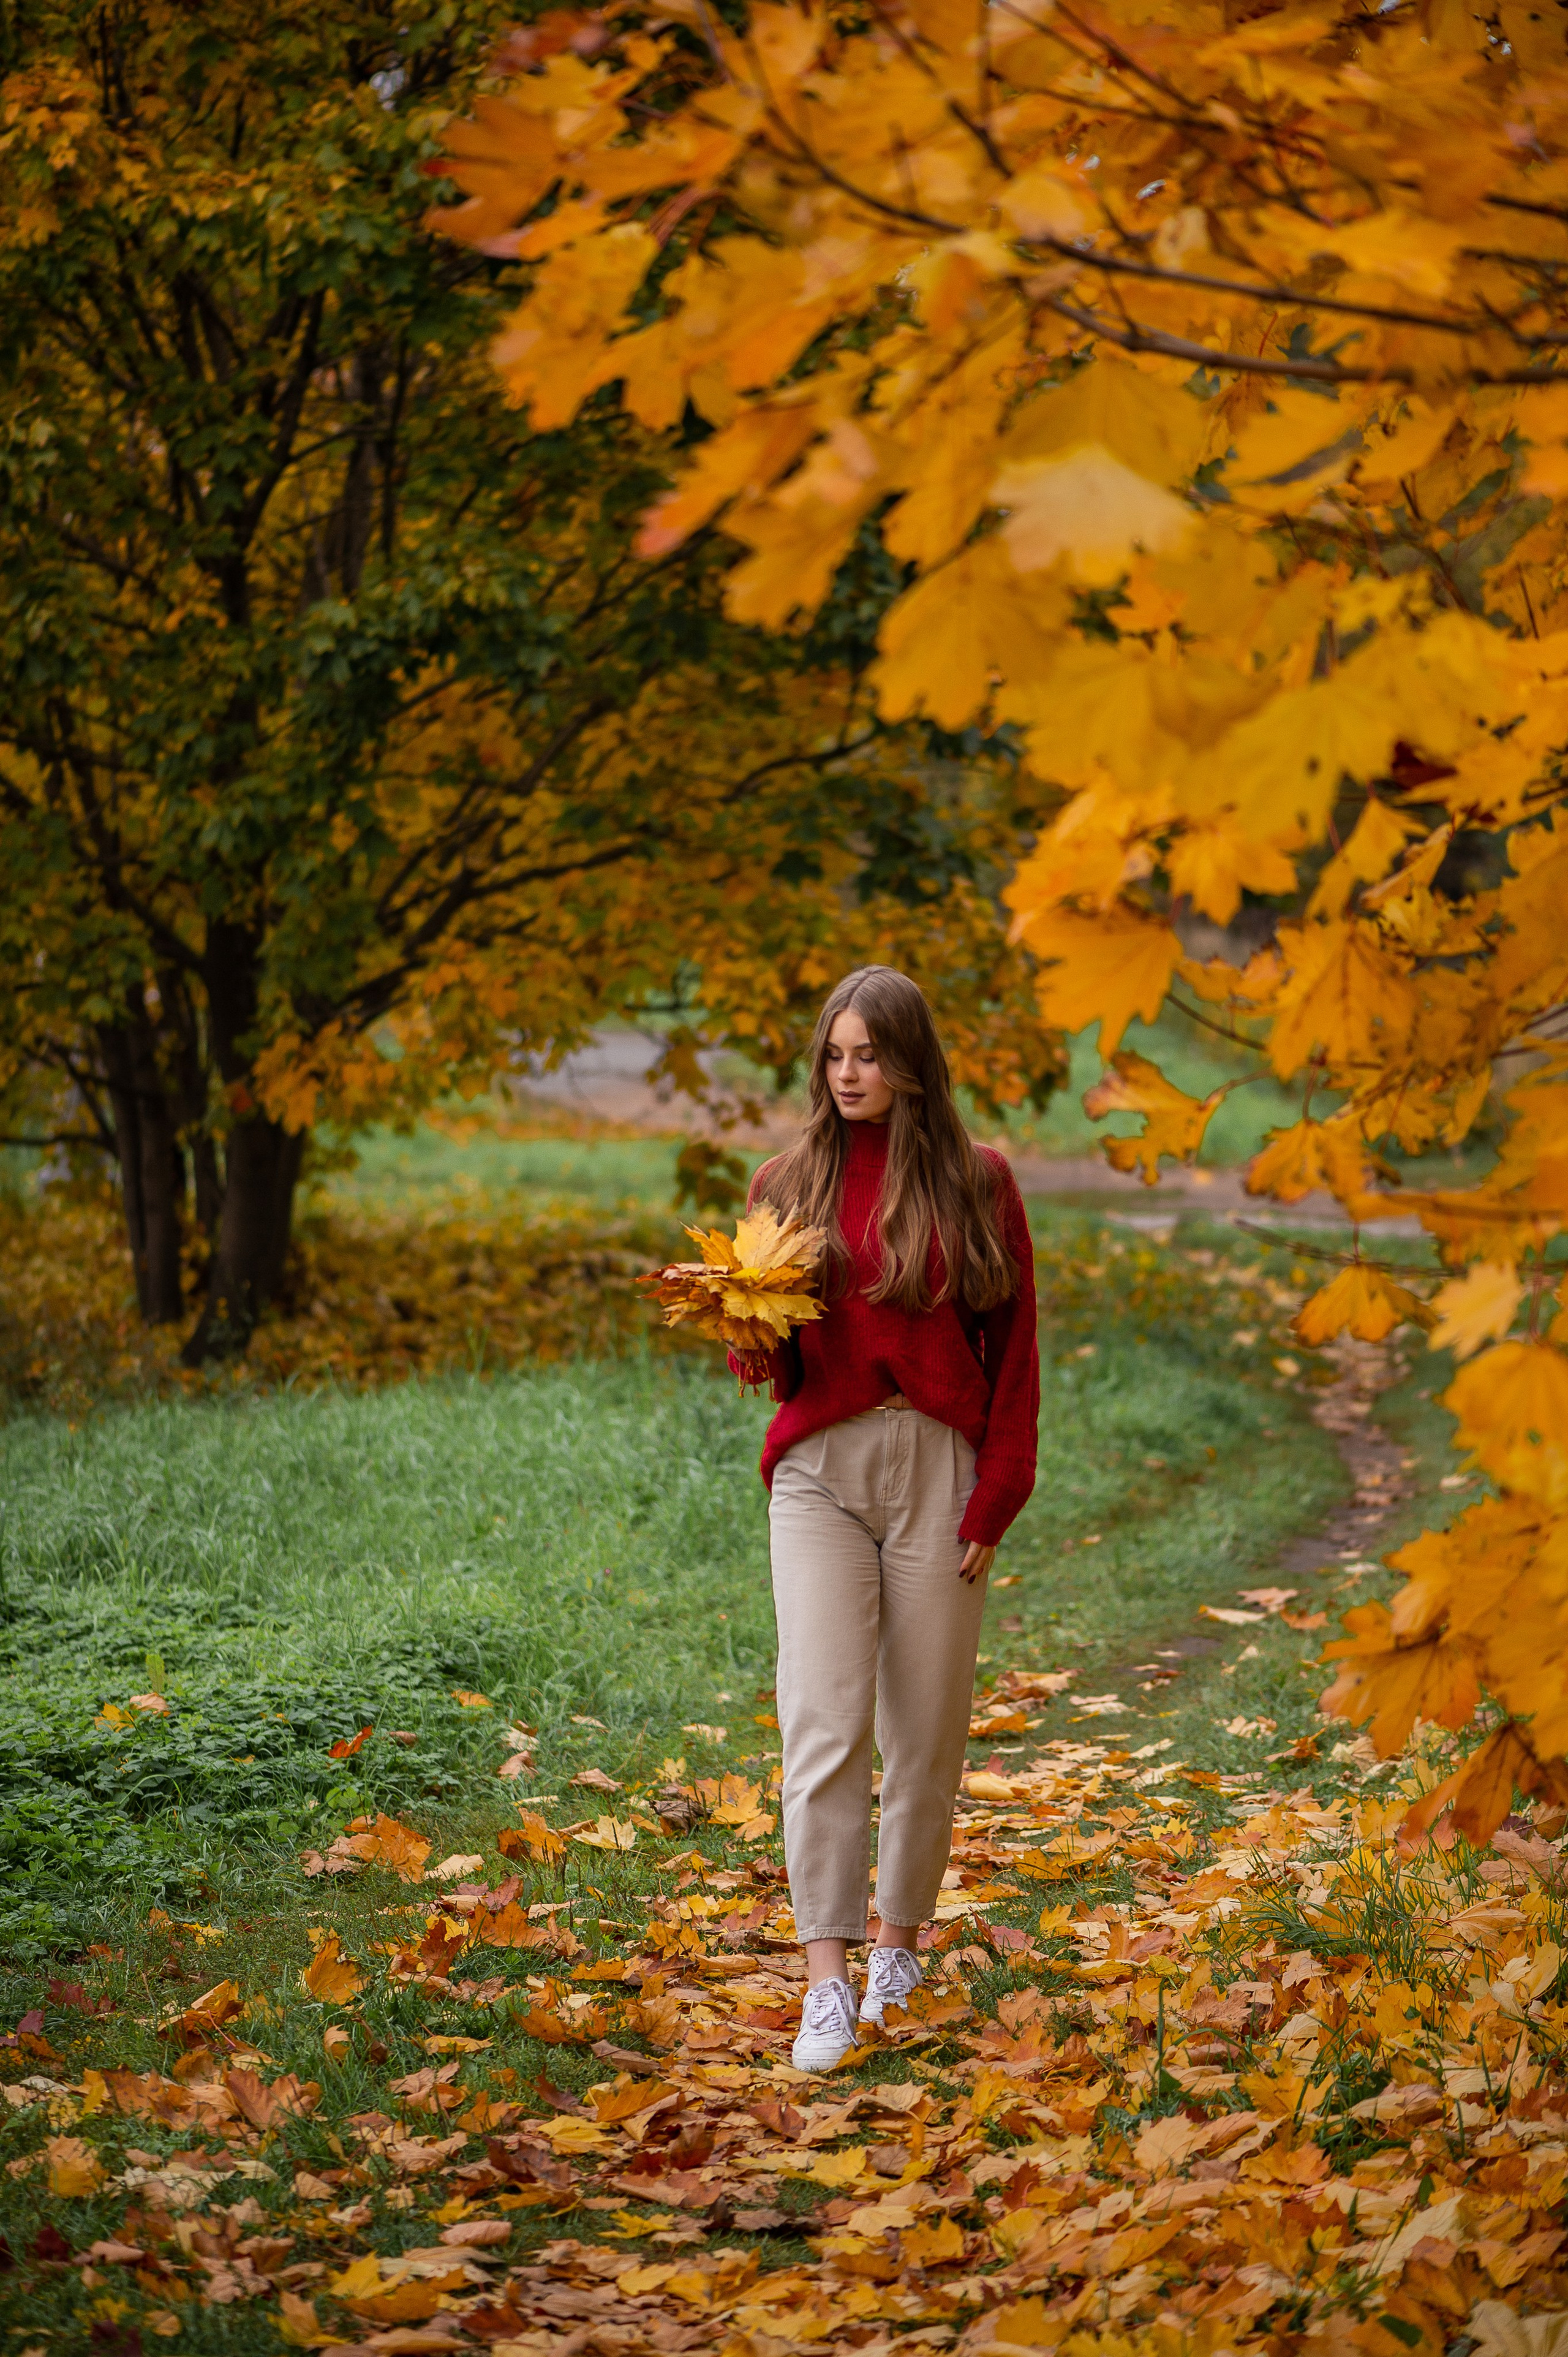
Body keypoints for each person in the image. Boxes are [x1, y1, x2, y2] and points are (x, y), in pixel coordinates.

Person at [733, 966, 1039, 2073]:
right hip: (820, 1472)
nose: (848, 1074)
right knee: (822, 1721)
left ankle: (897, 1953)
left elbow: (1016, 1348)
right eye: (834, 1054)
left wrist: (999, 1490)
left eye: (868, 1054)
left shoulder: (976, 1181)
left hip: (942, 1473)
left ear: (911, 1062)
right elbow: (776, 1364)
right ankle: (825, 1979)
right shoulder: (784, 1182)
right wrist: (748, 1330)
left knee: (926, 1730)